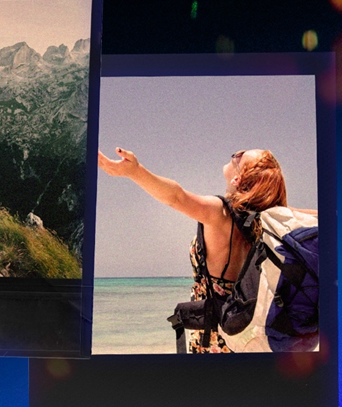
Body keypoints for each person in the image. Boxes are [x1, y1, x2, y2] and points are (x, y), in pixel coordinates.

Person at [98, 147, 293, 353]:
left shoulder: (221, 214)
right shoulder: (268, 221)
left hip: (214, 338)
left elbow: (177, 197)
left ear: (237, 179)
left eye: (239, 156)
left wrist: (135, 171)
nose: (234, 154)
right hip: (247, 337)